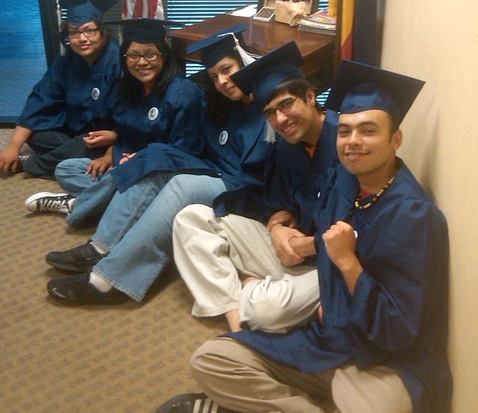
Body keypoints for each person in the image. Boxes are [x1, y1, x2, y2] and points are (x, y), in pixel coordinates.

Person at [156, 61, 452, 413]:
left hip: (383, 361)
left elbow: (397, 333)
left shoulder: (412, 215)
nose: (353, 142)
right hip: (329, 340)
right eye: (344, 132)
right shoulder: (344, 183)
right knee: (212, 358)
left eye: (368, 131)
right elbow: (281, 206)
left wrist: (346, 263)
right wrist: (277, 228)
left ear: (396, 139)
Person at [44, 25, 273, 305]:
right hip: (214, 170)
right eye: (214, 76)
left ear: (246, 63)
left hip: (242, 188)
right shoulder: (224, 104)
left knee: (175, 178)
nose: (223, 81)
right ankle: (101, 246)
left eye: (228, 70)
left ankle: (109, 278)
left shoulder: (271, 111)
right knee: (153, 159)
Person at [172, 40, 339, 333]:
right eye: (270, 112)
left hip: (331, 266)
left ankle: (249, 283)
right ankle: (235, 317)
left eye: (286, 104)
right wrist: (277, 228)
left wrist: (298, 243)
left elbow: (360, 233)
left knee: (267, 311)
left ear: (310, 96)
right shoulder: (287, 145)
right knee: (190, 220)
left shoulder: (346, 143)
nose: (280, 120)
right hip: (290, 251)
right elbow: (279, 204)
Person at [24, 17, 205, 215]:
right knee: (66, 169)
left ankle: (78, 205)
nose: (142, 62)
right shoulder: (128, 88)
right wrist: (111, 153)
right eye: (133, 55)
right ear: (124, 58)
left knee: (120, 177)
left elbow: (187, 149)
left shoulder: (182, 93)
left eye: (151, 54)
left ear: (163, 56)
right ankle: (118, 200)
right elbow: (125, 130)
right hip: (126, 160)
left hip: (161, 169)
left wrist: (141, 159)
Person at [0, 0, 120, 179]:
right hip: (76, 131)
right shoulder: (68, 61)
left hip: (109, 137)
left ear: (103, 33)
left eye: (89, 30)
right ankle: (75, 158)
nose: (82, 38)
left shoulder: (118, 63)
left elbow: (133, 114)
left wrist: (114, 143)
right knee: (34, 134)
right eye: (74, 32)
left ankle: (31, 164)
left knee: (86, 145)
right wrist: (13, 145)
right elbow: (41, 97)